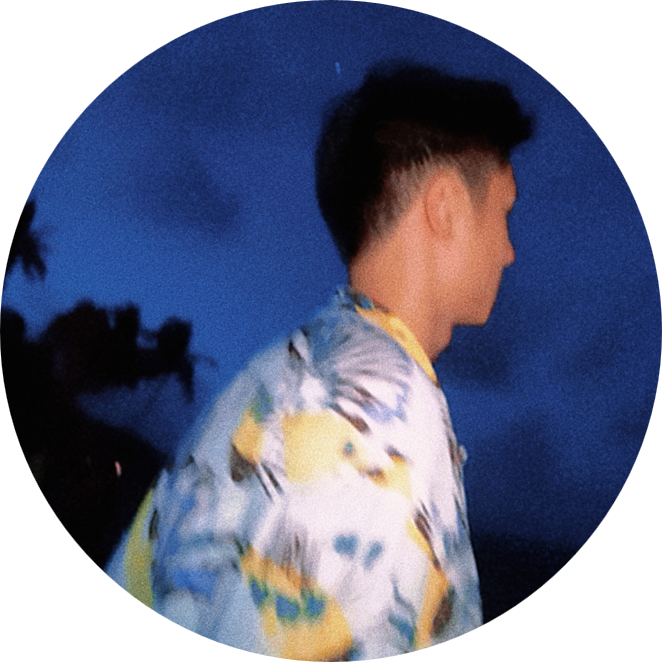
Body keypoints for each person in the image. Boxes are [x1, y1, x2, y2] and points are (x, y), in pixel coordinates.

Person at [105, 60, 533, 658]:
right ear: (445, 208)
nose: (510, 251)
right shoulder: (378, 413)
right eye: (504, 214)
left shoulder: (284, 369)